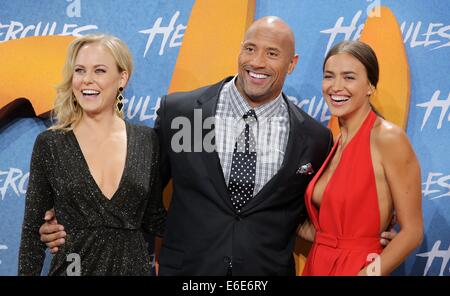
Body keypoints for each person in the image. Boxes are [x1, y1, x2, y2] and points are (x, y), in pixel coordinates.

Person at [38, 17, 394, 275]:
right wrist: (71, 221)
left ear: (292, 63)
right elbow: (139, 194)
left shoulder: (314, 138)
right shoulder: (183, 113)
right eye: (250, 49)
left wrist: (364, 237)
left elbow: (309, 215)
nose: (257, 62)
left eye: (272, 53)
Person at [18, 34, 166, 276]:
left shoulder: (146, 140)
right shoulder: (51, 144)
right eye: (79, 70)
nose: (87, 80)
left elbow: (154, 218)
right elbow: (32, 234)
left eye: (99, 71)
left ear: (122, 78)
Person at [301, 41, 423, 276]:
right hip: (318, 264)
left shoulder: (388, 138)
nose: (336, 87)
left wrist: (368, 274)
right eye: (329, 76)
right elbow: (327, 229)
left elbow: (412, 232)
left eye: (349, 77)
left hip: (358, 267)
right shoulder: (333, 142)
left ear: (370, 86)